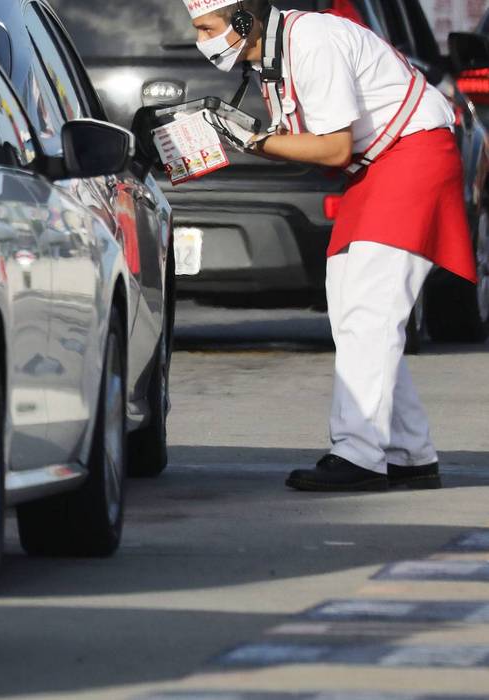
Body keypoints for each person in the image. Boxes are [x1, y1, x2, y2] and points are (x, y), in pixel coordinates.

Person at [181, 0, 476, 491]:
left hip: (409, 157)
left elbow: (333, 148)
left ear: (241, 21)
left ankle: (359, 455)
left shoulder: (311, 40)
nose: (201, 41)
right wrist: (240, 136)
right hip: (381, 166)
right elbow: (321, 148)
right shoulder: (275, 54)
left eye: (206, 28)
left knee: (368, 314)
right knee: (353, 313)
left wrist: (249, 140)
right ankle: (409, 451)